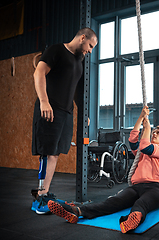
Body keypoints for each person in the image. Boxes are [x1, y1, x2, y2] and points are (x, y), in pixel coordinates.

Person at [47, 106, 159, 233]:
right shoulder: (142, 152)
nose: (154, 133)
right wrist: (140, 117)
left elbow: (145, 146)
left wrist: (148, 128)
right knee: (112, 202)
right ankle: (77, 211)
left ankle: (132, 220)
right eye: (153, 131)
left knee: (141, 204)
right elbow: (133, 140)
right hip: (135, 187)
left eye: (158, 133)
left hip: (154, 188)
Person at [31, 28, 98, 214]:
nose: (90, 50)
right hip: (49, 109)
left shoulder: (79, 60)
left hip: (66, 112)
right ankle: (39, 198)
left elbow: (77, 91)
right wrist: (44, 101)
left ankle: (44, 193)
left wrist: (84, 113)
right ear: (82, 38)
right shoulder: (56, 50)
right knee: (47, 152)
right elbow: (39, 74)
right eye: (90, 45)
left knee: (55, 154)